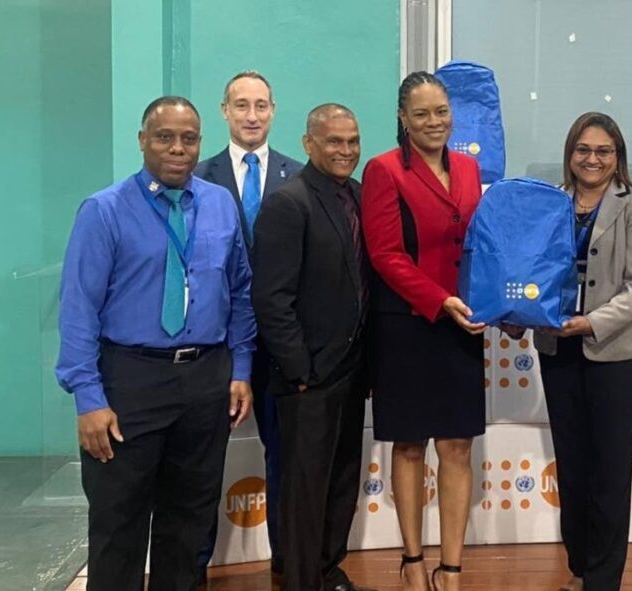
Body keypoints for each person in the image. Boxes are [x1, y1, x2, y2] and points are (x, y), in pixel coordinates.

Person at [55, 96, 255, 590]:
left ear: (200, 143)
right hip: (129, 381)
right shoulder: (103, 211)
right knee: (118, 523)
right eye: (164, 137)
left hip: (206, 378)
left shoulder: (219, 204)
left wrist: (241, 368)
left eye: (188, 138)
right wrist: (88, 397)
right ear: (143, 141)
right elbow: (78, 309)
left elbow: (241, 292)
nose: (177, 148)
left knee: (189, 522)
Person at [361, 71, 484, 591]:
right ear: (402, 119)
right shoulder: (382, 170)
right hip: (408, 326)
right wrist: (439, 300)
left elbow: (484, 242)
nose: (434, 122)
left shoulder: (470, 167)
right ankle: (412, 560)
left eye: (441, 111)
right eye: (422, 114)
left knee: (457, 447)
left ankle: (451, 567)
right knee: (409, 445)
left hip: (464, 326)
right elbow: (384, 254)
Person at [532, 112, 632, 591]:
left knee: (609, 468)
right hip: (556, 348)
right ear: (570, 154)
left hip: (615, 352)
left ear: (617, 157)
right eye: (583, 149)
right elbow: (532, 272)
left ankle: (604, 581)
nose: (592, 158)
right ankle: (581, 567)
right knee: (572, 464)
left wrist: (592, 323)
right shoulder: (551, 203)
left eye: (603, 151)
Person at [252, 104, 373, 591]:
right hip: (308, 378)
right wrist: (299, 369)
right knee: (304, 491)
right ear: (308, 144)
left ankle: (328, 569)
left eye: (352, 141)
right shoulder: (288, 202)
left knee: (342, 479)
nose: (346, 150)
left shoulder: (361, 197)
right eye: (334, 141)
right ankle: (301, 580)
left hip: (353, 370)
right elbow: (271, 298)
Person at [193, 71, 302, 578]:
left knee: (286, 458)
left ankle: (288, 562)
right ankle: (194, 569)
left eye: (260, 105)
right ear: (224, 111)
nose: (252, 115)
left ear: (274, 110)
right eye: (241, 105)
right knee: (201, 462)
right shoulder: (195, 178)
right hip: (218, 345)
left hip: (281, 345)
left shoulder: (299, 176)